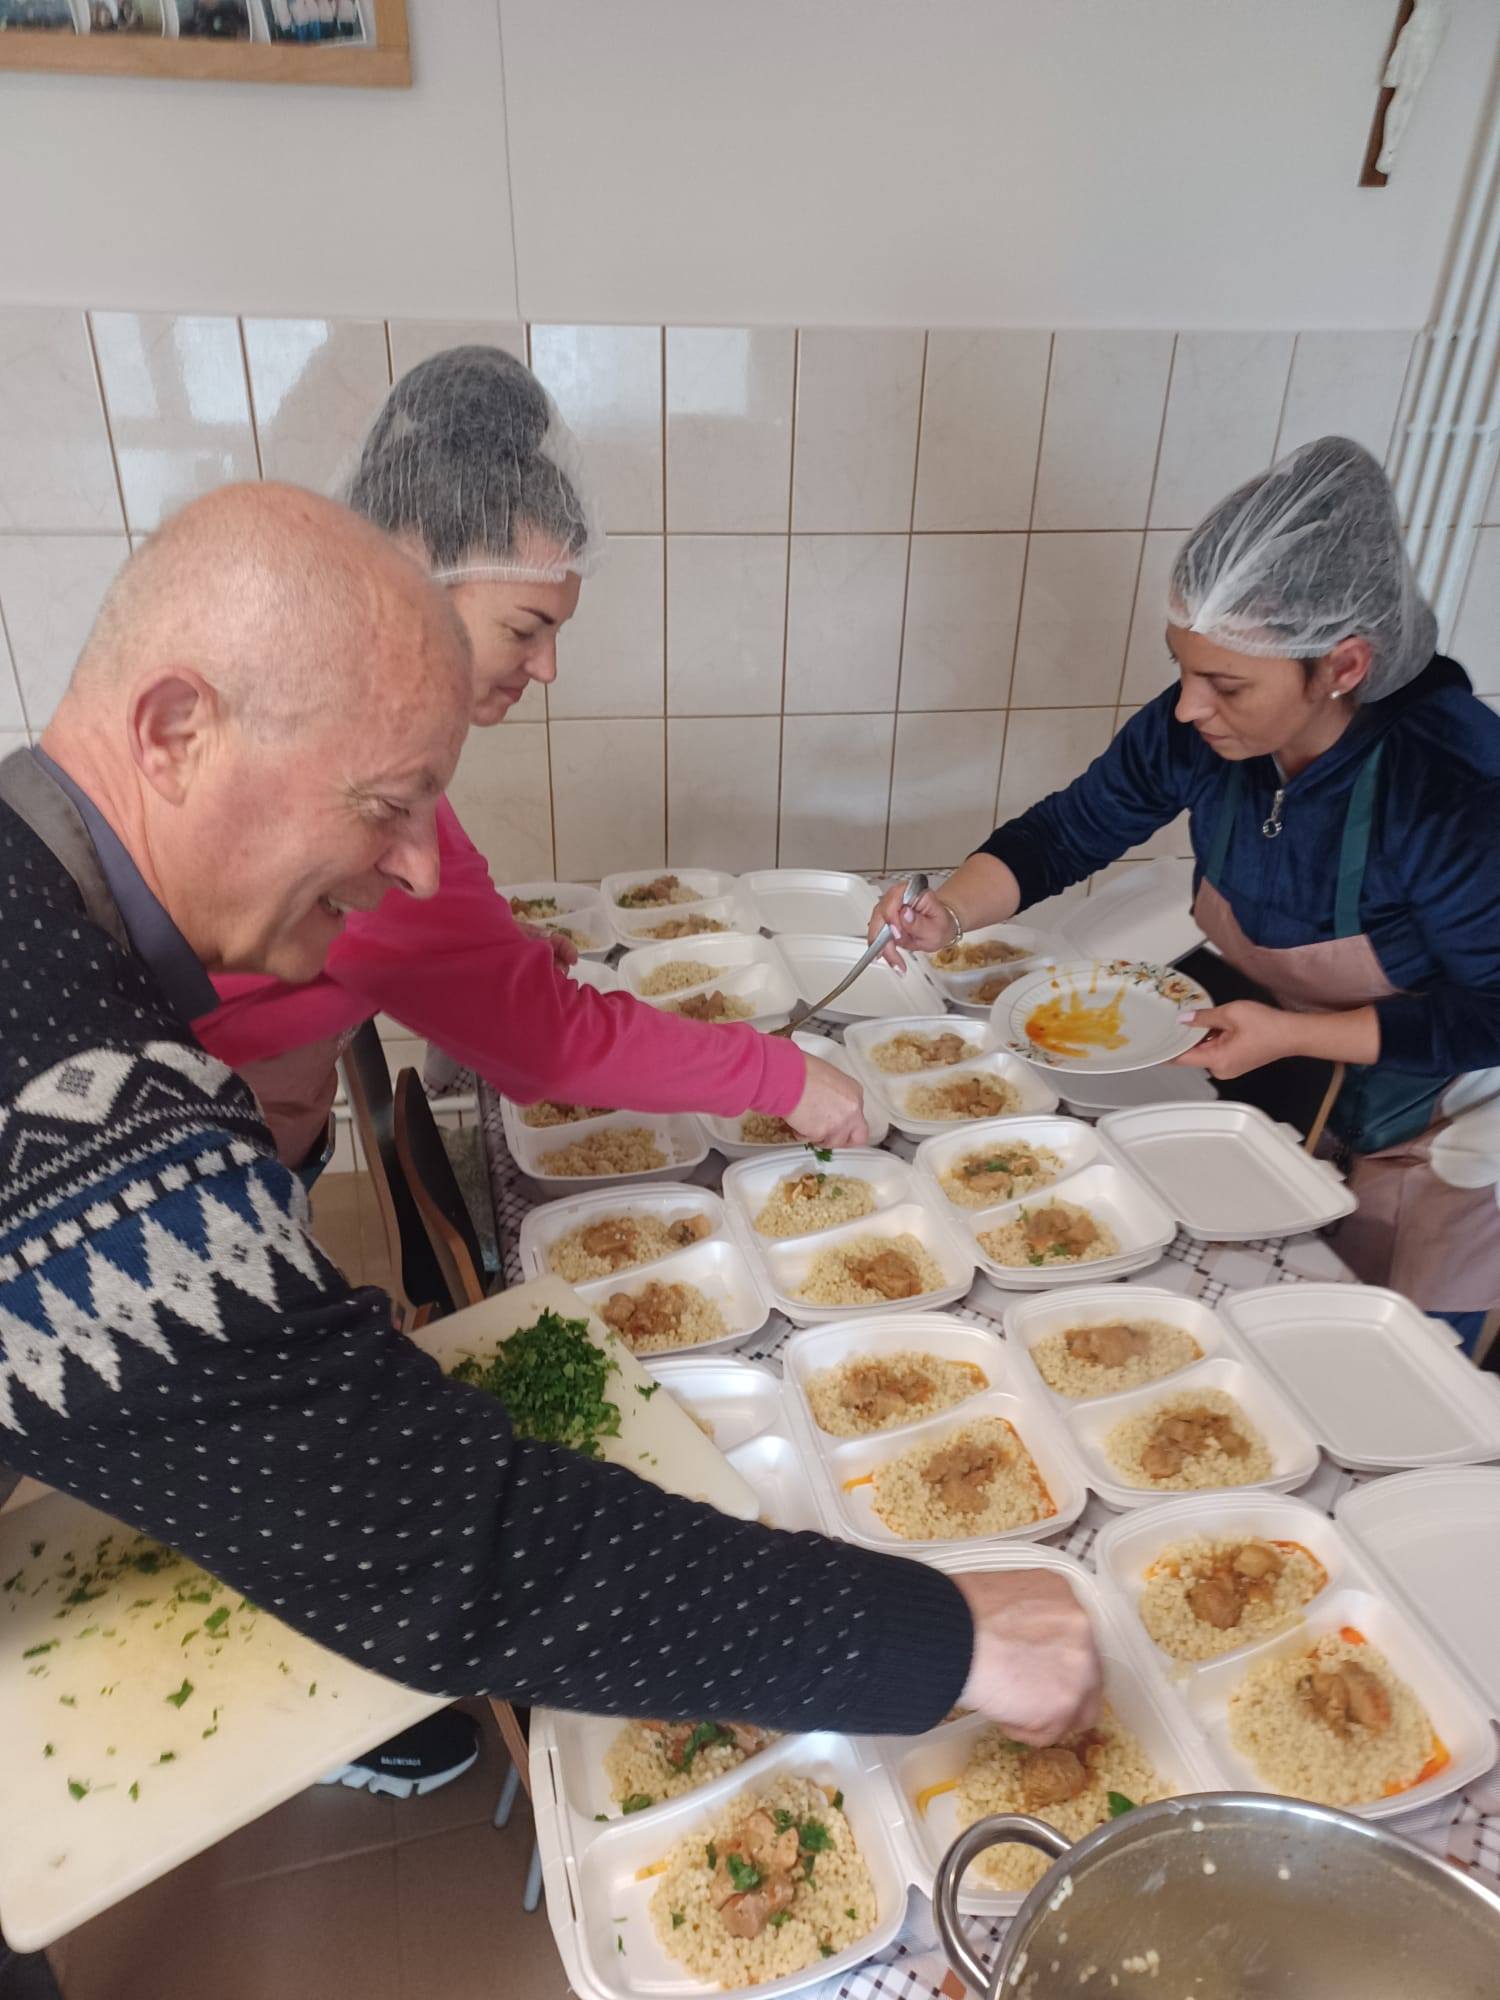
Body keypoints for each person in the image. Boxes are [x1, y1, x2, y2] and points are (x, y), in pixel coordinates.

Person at [0, 482, 1101, 1758]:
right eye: (386, 805)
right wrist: (943, 1637)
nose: (419, 867)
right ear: (176, 730)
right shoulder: (89, 1109)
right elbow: (439, 1538)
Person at [873, 438, 1500, 1348]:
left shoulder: (1451, 786)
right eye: (1184, 668)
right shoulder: (1202, 731)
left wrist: (1295, 1034)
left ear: (1344, 667)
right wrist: (952, 911)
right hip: (1294, 1062)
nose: (1188, 707)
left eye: (1226, 684)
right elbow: (1069, 829)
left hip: (1448, 1117)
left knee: (1388, 1349)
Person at [199, 346, 867, 1180]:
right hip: (187, 1140)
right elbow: (547, 1045)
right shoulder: (344, 771)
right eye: (524, 629)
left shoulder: (330, 705)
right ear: (413, 583)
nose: (547, 668)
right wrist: (785, 1077)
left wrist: (488, 948)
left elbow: (411, 927)